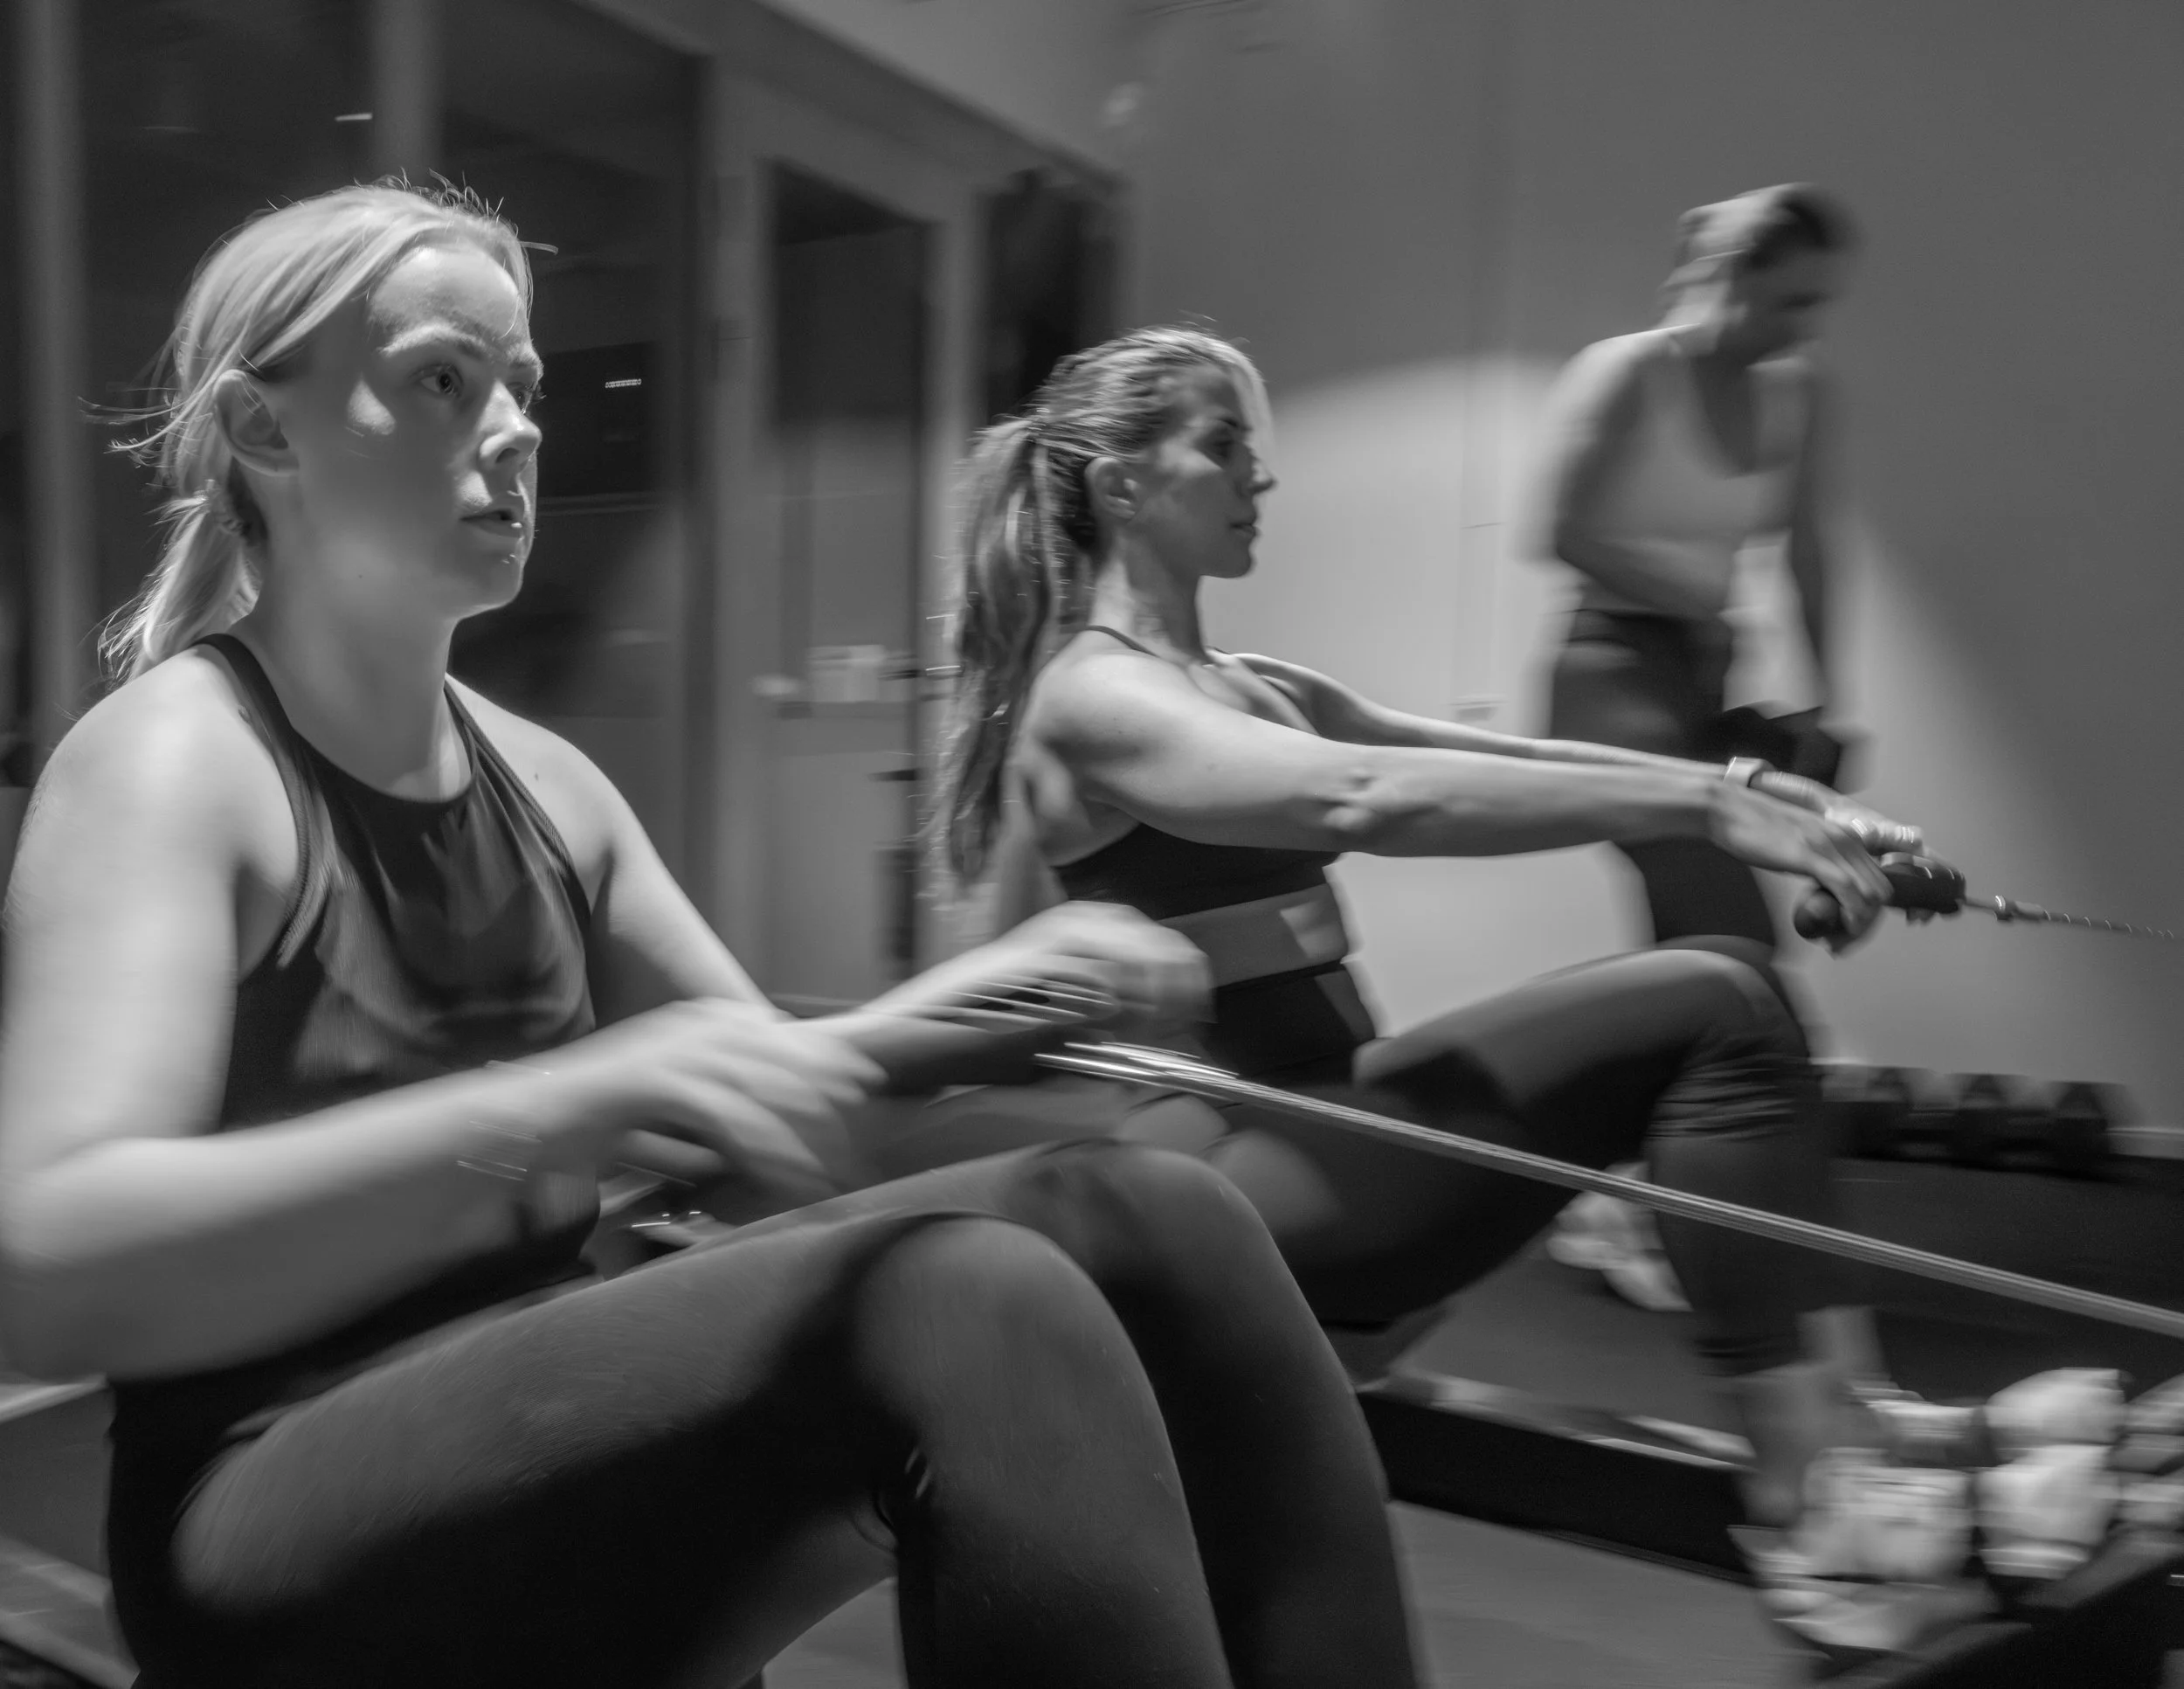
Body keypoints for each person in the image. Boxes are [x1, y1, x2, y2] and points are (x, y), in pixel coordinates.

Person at [0, 184, 1422, 1689]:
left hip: (527, 1404)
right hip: (269, 1498)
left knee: (1152, 1214)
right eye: (441, 378)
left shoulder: (549, 785)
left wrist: (982, 1009)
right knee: (966, 1303)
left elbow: (776, 1120)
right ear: (265, 432)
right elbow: (50, 1265)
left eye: (523, 385)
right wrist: (565, 1102)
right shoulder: (178, 761)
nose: (518, 426)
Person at [918, 323, 1985, 1665]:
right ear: (1123, 483)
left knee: (1728, 1004)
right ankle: (1819, 1510)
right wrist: (1715, 806)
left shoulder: (1254, 687)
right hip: (1233, 1179)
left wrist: (1781, 796)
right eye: (1226, 445)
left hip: (1316, 1139)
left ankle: (1850, 1426)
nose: (1262, 476)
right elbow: (1373, 797)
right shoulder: (1094, 700)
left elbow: (1503, 754)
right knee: (1722, 1003)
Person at [1540, 184, 1857, 952]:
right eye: (1788, 301)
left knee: (1699, 930)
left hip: (1699, 679)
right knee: (1730, 931)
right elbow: (1562, 531)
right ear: (1732, 272)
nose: (1800, 325)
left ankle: (1669, 1059)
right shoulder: (1630, 372)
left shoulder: (1799, 391)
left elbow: (1806, 548)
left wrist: (1826, 700)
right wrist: (1698, 610)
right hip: (1608, 676)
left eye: (1815, 306)